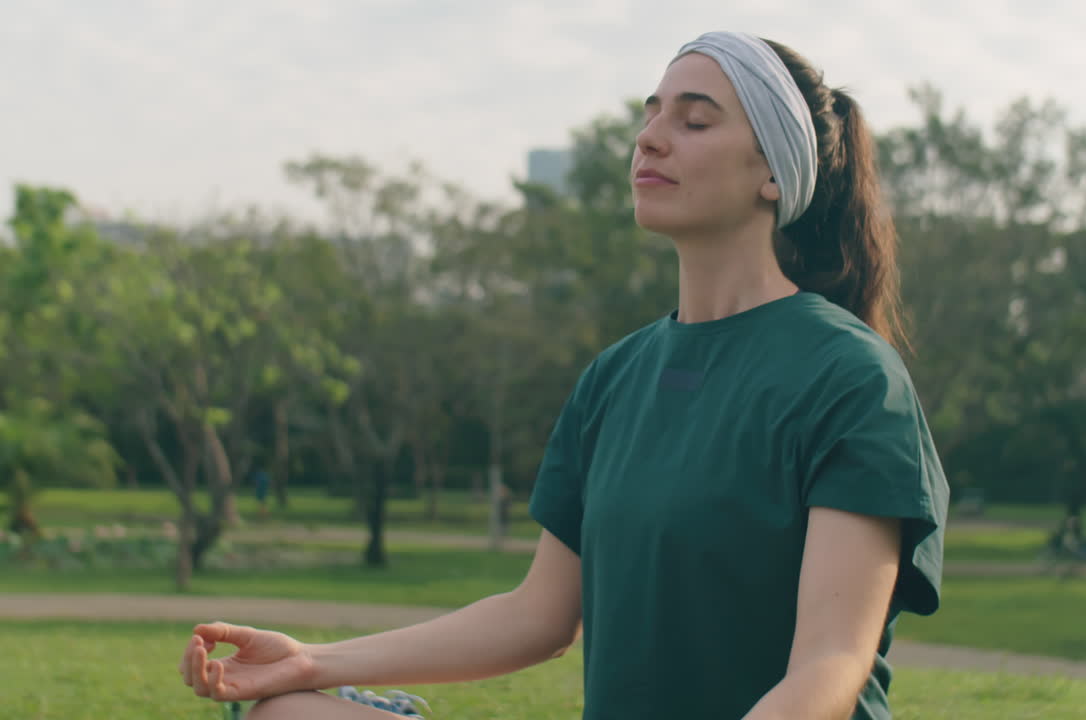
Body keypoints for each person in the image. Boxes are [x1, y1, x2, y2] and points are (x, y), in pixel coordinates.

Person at [178, 31, 948, 720]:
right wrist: (313, 663)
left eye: (694, 119)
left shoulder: (848, 378)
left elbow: (830, 665)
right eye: (649, 115)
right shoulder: (617, 377)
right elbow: (538, 616)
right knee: (291, 714)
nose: (650, 140)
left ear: (773, 176)